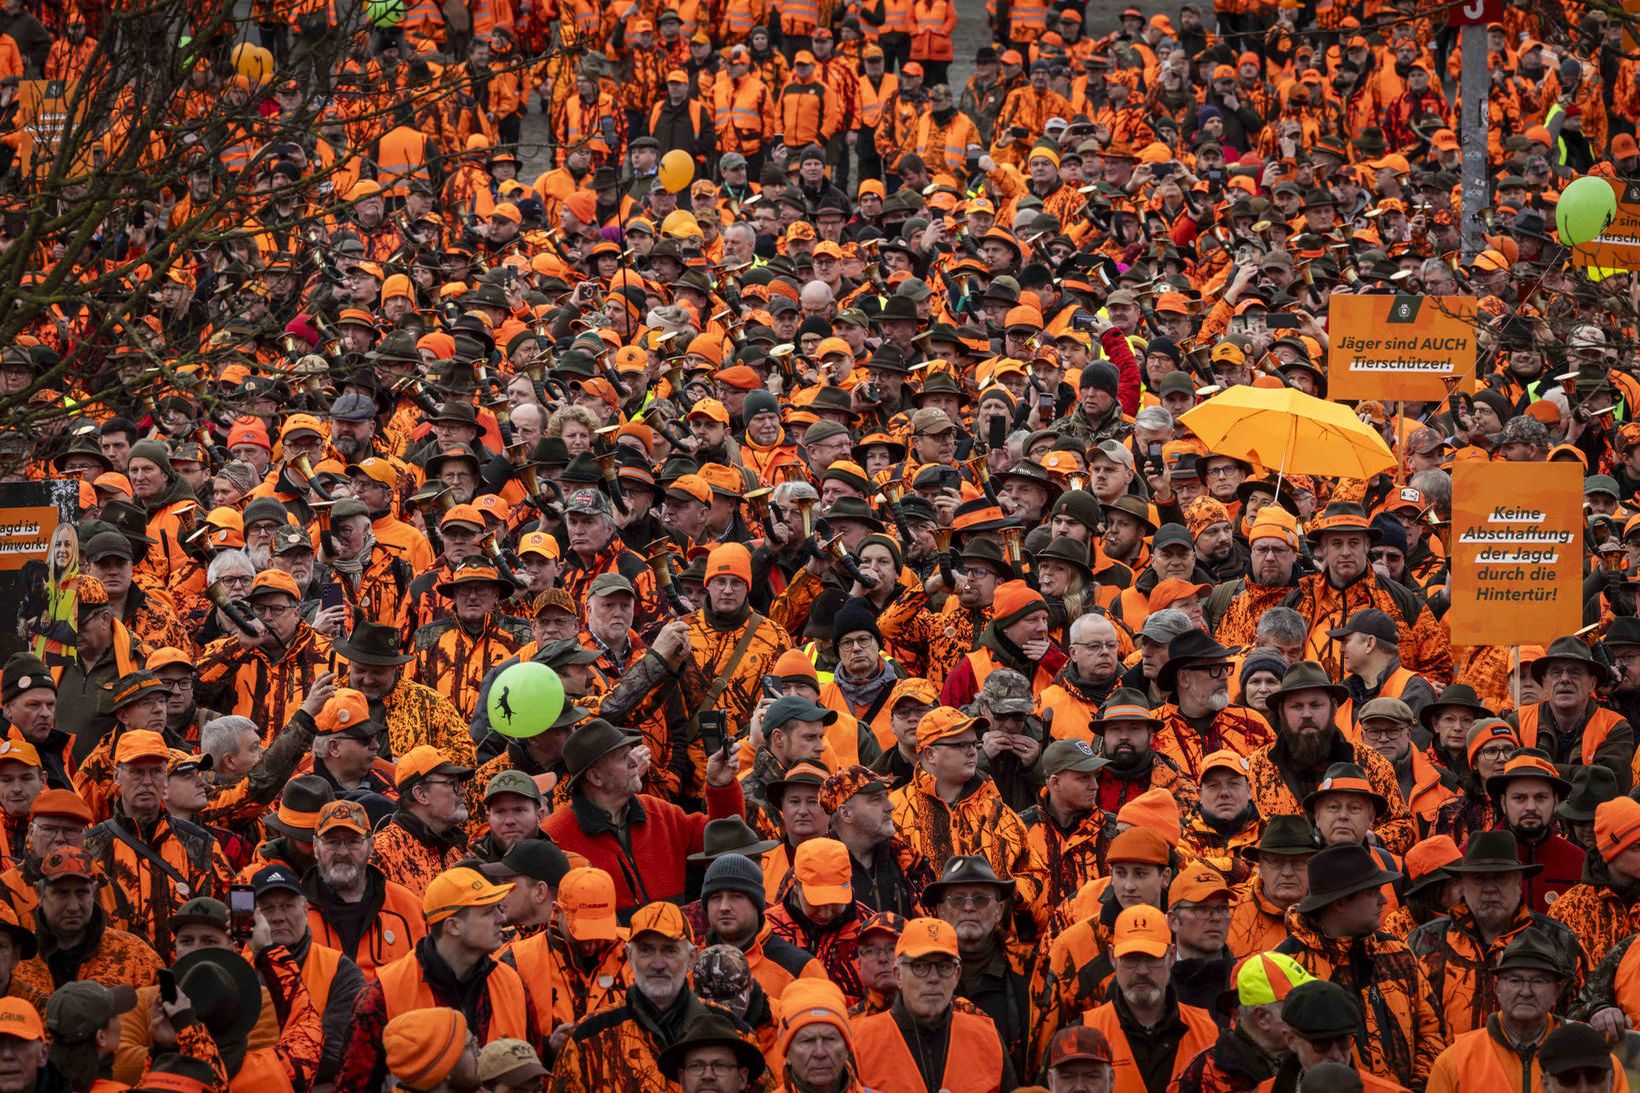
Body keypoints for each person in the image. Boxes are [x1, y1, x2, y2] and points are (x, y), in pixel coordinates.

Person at [336, 865, 533, 1089]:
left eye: (498, 908)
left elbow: (534, 1077)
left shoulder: (513, 984)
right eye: (488, 912)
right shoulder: (384, 994)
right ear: (453, 926)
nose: (502, 917)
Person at [1275, 845, 1444, 1088]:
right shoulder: (1285, 964)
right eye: (1373, 891)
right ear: (1340, 903)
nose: (1384, 899)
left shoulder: (1397, 953)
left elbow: (1431, 1031)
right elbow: (1279, 1049)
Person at [550, 901, 760, 1091]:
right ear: (629, 956)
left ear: (691, 958)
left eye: (669, 951)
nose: (658, 964)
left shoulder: (735, 1034)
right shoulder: (589, 1037)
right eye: (646, 951)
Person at [542, 719, 745, 914]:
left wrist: (721, 786)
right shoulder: (555, 838)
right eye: (623, 758)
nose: (634, 761)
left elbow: (729, 843)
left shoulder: (660, 813)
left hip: (673, 945)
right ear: (595, 777)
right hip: (607, 950)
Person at [1406, 830, 1588, 1038]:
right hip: (1447, 1069)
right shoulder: (1423, 944)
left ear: (1519, 881)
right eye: (1479, 879)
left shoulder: (1560, 941)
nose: (1489, 889)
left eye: (1500, 878)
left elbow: (1583, 1015)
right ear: (1463, 884)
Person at [1427, 929, 1621, 1093]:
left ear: (1557, 990)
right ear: (1497, 987)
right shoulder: (1455, 1061)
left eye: (1539, 981)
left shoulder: (1593, 1055)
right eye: (1515, 980)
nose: (1526, 992)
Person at [850, 916, 1016, 1093]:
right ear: (898, 975)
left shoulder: (986, 1038)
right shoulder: (859, 1041)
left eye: (944, 967)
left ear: (956, 975)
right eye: (920, 966)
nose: (933, 978)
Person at [1081, 905, 1217, 1093]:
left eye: (1153, 958)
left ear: (1171, 956)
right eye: (1131, 958)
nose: (1142, 970)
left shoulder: (1209, 1032)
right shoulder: (1082, 1036)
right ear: (1113, 957)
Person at [1170, 951, 1314, 1093]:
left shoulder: (1317, 1057)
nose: (1309, 1012)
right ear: (1262, 1018)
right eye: (1297, 1005)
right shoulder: (1201, 1076)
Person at [1227, 817, 1317, 958]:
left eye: (1299, 862)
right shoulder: (1228, 919)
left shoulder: (1332, 917)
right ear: (1260, 868)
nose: (1287, 873)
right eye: (1276, 862)